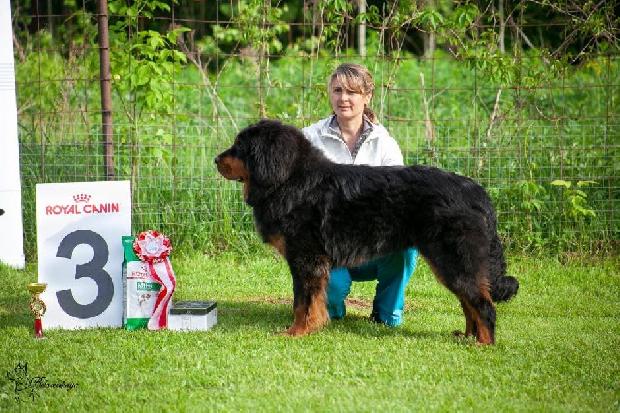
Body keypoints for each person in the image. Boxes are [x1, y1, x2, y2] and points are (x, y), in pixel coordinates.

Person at [302, 63, 418, 327]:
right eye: (337, 90)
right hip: (329, 247)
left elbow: (399, 199)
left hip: (374, 244)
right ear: (330, 94)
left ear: (367, 97)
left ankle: (387, 315)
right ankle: (330, 309)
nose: (343, 98)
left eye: (352, 92)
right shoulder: (309, 138)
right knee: (331, 293)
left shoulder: (385, 144)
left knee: (406, 245)